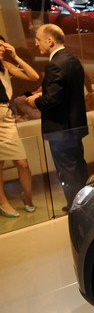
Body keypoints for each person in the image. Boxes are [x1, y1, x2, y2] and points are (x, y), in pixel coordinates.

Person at [24, 25, 89, 208]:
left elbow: (52, 100)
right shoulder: (72, 59)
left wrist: (34, 102)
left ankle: (76, 207)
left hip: (60, 129)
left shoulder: (54, 64)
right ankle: (84, 203)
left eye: (38, 39)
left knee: (67, 171)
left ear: (49, 40)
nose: (36, 44)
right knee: (78, 167)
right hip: (74, 126)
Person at [0, 36, 40, 217]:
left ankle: (27, 196)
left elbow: (34, 76)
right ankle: (3, 202)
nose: (2, 47)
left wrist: (15, 57)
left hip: (6, 119)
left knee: (22, 163)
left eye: (3, 44)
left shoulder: (5, 66)